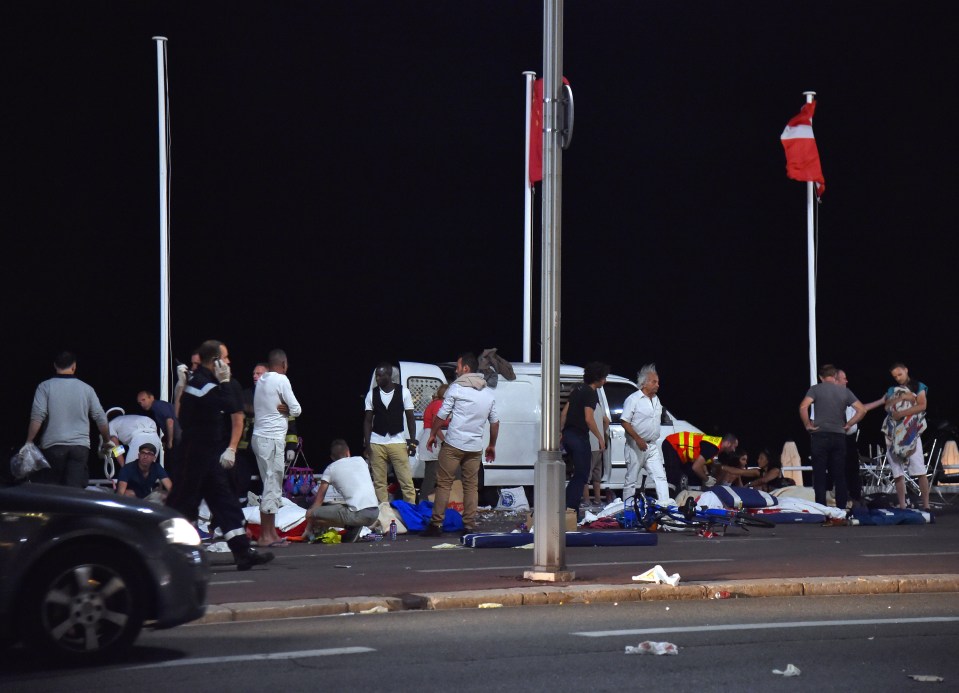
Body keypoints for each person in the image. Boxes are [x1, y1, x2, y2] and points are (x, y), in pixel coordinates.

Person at [166, 340, 273, 571]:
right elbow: (226, 404)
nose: (228, 362)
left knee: (225, 502)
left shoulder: (206, 383)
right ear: (214, 361)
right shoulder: (202, 384)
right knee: (183, 504)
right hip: (194, 454)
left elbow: (231, 408)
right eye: (224, 358)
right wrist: (219, 384)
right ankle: (170, 553)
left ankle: (242, 551)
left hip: (208, 454)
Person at [423, 352, 499, 536]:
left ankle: (436, 525)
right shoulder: (488, 394)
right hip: (474, 447)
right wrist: (492, 445)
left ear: (465, 369)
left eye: (458, 367)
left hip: (454, 444)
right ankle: (469, 525)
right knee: (471, 486)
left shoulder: (456, 389)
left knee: (444, 484)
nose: (456, 371)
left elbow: (442, 415)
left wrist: (433, 434)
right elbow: (495, 422)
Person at [25, 351, 113, 488]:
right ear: (74, 366)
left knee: (51, 490)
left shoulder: (45, 387)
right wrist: (107, 441)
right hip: (80, 447)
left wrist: (29, 441)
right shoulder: (87, 389)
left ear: (55, 365)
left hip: (53, 445)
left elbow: (38, 416)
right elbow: (100, 417)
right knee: (75, 492)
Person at [252, 349, 303, 547]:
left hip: (259, 438)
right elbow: (297, 409)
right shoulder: (282, 380)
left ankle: (270, 533)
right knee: (272, 487)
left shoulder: (262, 381)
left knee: (269, 486)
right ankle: (266, 536)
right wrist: (289, 409)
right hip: (272, 440)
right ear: (283, 364)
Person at [799, 363, 867, 510]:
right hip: (839, 436)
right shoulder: (845, 392)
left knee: (819, 474)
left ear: (821, 377)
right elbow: (861, 410)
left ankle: (820, 508)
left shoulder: (815, 389)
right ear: (835, 376)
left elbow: (803, 406)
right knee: (839, 473)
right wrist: (849, 424)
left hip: (820, 435)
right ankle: (841, 508)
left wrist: (807, 424)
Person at [363, 362, 417, 505]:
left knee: (406, 481)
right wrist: (367, 444)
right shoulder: (371, 394)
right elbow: (368, 421)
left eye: (380, 376)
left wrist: (412, 441)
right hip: (376, 442)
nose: (378, 378)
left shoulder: (403, 392)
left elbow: (410, 417)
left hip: (397, 442)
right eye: (377, 376)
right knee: (379, 482)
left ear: (389, 376)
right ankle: (384, 512)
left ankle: (410, 512)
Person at [305, 439, 379, 543]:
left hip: (358, 515)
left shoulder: (330, 469)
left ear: (332, 457)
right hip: (375, 512)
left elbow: (318, 502)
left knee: (310, 514)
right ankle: (353, 527)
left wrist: (308, 523)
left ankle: (351, 527)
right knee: (343, 507)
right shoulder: (360, 460)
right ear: (348, 452)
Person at [880, 362, 931, 512]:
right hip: (894, 431)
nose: (897, 378)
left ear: (906, 370)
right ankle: (902, 505)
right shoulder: (892, 389)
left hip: (910, 432)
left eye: (899, 374)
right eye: (895, 376)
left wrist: (902, 413)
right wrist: (902, 397)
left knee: (919, 469)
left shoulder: (918, 386)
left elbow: (922, 405)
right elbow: (887, 406)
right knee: (897, 471)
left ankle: (926, 505)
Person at [560, 362, 609, 511]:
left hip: (568, 435)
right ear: (598, 378)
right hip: (579, 437)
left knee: (578, 473)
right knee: (582, 474)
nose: (605, 381)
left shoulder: (577, 389)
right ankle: (569, 507)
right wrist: (600, 438)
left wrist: (561, 432)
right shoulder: (590, 392)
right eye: (604, 378)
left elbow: (564, 414)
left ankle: (566, 505)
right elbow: (589, 418)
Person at [619, 364, 668, 505]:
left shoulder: (656, 400)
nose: (658, 385)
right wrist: (638, 439)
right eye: (654, 382)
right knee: (632, 479)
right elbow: (624, 421)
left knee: (660, 476)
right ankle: (628, 508)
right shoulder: (633, 399)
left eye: (658, 382)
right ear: (644, 383)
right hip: (636, 445)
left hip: (651, 446)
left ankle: (665, 505)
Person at [662, 431, 738, 489]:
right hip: (672, 444)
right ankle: (669, 501)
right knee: (673, 477)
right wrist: (707, 479)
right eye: (734, 447)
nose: (734, 450)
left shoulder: (715, 445)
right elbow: (696, 467)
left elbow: (701, 461)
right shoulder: (713, 447)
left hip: (677, 447)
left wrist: (706, 474)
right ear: (728, 443)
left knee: (693, 477)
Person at [418, 383, 449, 502]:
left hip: (432, 436)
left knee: (432, 474)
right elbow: (437, 424)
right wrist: (445, 441)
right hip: (433, 438)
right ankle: (424, 501)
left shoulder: (435, 403)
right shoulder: (439, 404)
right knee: (431, 475)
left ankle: (427, 501)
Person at [585, 395, 611, 506]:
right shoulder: (598, 406)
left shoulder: (585, 406)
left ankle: (586, 501)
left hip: (590, 444)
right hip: (599, 446)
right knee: (597, 474)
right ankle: (598, 499)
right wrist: (601, 432)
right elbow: (607, 421)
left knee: (585, 475)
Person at [137, 390, 180, 454]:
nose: (142, 404)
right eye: (140, 403)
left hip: (178, 438)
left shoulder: (157, 405)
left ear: (151, 397)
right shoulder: (160, 406)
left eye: (144, 400)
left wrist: (170, 442)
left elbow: (170, 421)